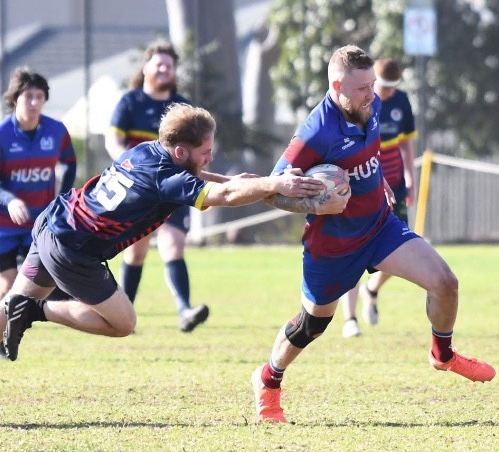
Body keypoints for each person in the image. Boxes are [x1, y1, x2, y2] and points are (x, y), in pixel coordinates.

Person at [251, 45, 495, 423]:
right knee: (312, 325)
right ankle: (268, 380)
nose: (372, 93)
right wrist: (317, 205)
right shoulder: (315, 133)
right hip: (333, 246)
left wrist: (377, 181)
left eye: (373, 84)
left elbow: (369, 152)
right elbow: (271, 191)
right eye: (363, 87)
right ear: (337, 86)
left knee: (445, 282)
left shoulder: (373, 104)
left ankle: (443, 355)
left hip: (380, 227)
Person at [1, 103, 346, 362]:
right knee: (122, 323)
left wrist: (234, 180)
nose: (210, 158)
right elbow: (223, 197)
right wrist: (277, 183)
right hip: (73, 249)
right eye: (205, 152)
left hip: (54, 221)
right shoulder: (168, 179)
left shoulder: (147, 150)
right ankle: (37, 311)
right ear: (181, 151)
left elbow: (203, 179)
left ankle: (22, 308)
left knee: (7, 307)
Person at [105, 41, 208, 332]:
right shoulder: (130, 102)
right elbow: (112, 141)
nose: (164, 69)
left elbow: (196, 148)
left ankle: (185, 311)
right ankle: (123, 315)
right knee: (136, 252)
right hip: (140, 188)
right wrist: (130, 165)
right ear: (146, 67)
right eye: (159, 64)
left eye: (169, 65)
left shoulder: (181, 107)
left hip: (174, 187)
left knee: (173, 245)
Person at [340, 58, 417, 338]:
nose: (388, 93)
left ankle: (371, 289)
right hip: (362, 186)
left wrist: (410, 178)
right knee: (353, 252)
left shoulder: (401, 101)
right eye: (384, 87)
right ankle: (350, 319)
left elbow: (406, 143)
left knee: (401, 247)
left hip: (395, 187)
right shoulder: (359, 102)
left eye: (393, 87)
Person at [0, 68, 77, 298]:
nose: (34, 103)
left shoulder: (56, 131)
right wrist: (10, 200)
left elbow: (69, 163)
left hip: (38, 223)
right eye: (28, 96)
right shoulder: (2, 134)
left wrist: (62, 199)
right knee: (8, 284)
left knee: (34, 285)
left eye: (39, 97)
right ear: (15, 99)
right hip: (4, 226)